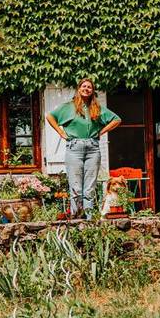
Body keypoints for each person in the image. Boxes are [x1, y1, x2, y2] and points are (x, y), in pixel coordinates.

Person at [46, 78, 120, 217]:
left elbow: (116, 119)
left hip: (93, 148)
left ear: (92, 91)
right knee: (76, 188)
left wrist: (101, 131)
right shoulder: (69, 106)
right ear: (79, 89)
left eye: (89, 87)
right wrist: (61, 133)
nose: (86, 89)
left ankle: (89, 220)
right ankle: (76, 218)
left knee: (89, 188)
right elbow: (50, 117)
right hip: (74, 148)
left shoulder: (96, 108)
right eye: (84, 86)